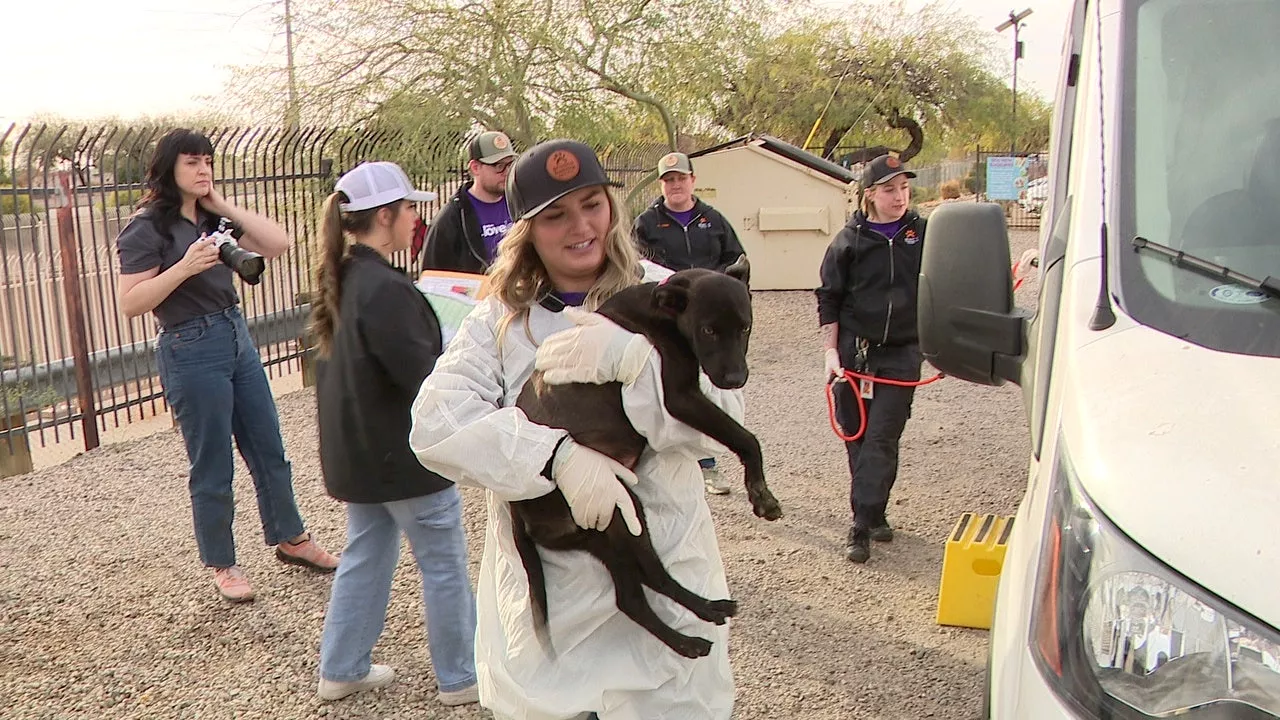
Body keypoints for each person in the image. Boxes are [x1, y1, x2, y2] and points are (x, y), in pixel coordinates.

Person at [409, 139, 739, 719]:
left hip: (664, 581)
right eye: (555, 214)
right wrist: (554, 457)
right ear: (527, 229)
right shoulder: (501, 318)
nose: (580, 227)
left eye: (591, 204)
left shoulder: (674, 295)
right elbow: (435, 423)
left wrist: (638, 363)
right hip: (556, 611)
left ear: (611, 205)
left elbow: (724, 424)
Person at [115, 128, 338, 602]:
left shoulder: (214, 217)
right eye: (192, 162)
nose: (202, 170)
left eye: (208, 162)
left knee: (269, 447)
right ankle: (223, 563)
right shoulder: (147, 227)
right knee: (212, 462)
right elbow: (131, 303)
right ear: (169, 167)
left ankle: (291, 538)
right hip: (189, 345)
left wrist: (222, 202)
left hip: (235, 333)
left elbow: (278, 244)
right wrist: (185, 268)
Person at [308, 161, 479, 706]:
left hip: (360, 457)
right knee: (444, 563)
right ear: (385, 215)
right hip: (403, 461)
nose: (415, 218)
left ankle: (342, 666)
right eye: (409, 208)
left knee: (368, 552)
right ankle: (461, 676)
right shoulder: (385, 288)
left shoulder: (348, 280)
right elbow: (425, 378)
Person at [815, 153, 926, 564]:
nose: (900, 197)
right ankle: (875, 511)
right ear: (870, 195)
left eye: (904, 188)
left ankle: (859, 526)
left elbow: (952, 279)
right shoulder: (849, 241)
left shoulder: (923, 233)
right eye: (890, 189)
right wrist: (831, 352)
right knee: (858, 438)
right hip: (854, 354)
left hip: (901, 353)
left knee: (882, 437)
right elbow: (829, 297)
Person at [632, 151, 746, 495]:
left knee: (709, 386)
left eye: (681, 178)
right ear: (661, 184)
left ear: (692, 181)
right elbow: (640, 267)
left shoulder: (713, 220)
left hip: (709, 320)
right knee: (669, 384)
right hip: (671, 317)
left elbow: (735, 260)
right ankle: (662, 457)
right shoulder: (648, 223)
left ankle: (708, 463)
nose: (675, 185)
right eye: (668, 180)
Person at [417, 130, 519, 273]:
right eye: (499, 166)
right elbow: (433, 276)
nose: (507, 172)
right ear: (475, 168)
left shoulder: (521, 204)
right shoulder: (451, 218)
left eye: (510, 164)